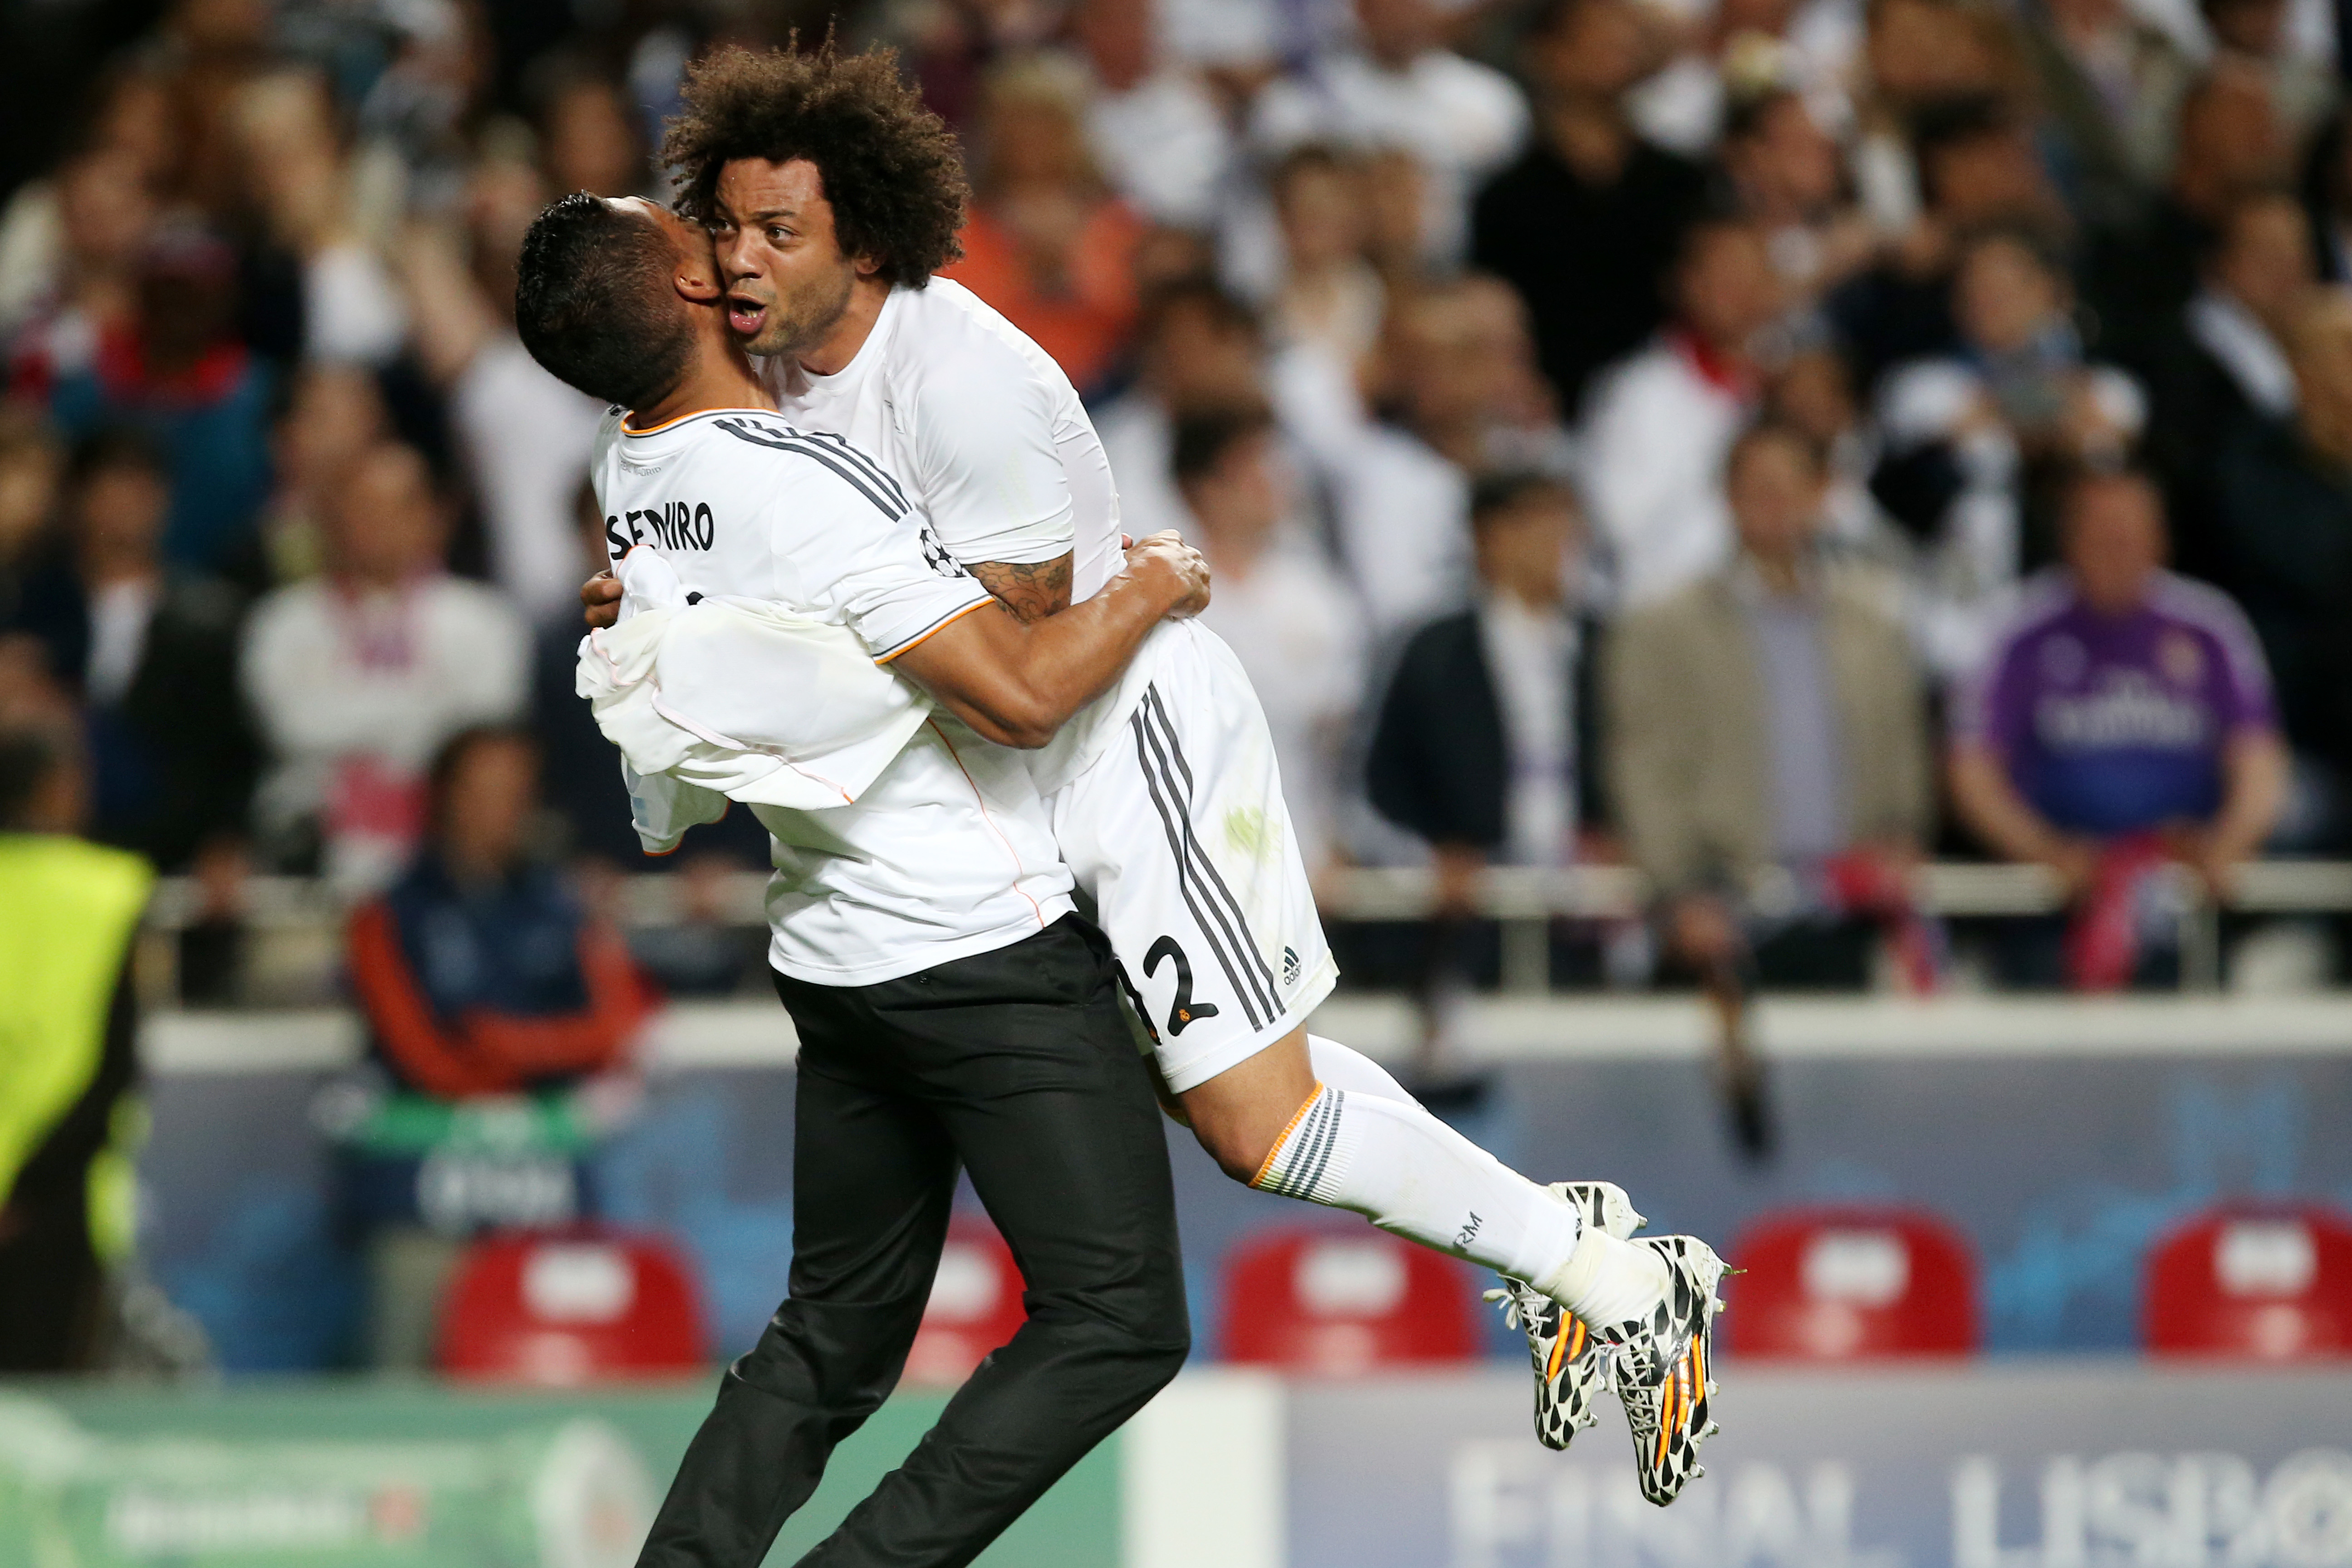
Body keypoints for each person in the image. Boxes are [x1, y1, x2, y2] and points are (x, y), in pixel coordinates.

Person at [632, 40, 1723, 1512]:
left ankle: (1610, 1272)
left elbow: (1024, 665)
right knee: (1217, 1119)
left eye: (781, 231)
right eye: (732, 226)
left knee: (1251, 1124)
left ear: (867, 238)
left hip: (1113, 741)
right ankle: (1582, 1254)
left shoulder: (966, 387)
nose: (745, 260)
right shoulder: (755, 380)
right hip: (974, 806)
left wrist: (750, 651)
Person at [516, 183, 1209, 1567]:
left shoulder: (628, 468)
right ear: (692, 288)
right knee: (1119, 1318)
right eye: (695, 230)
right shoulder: (806, 488)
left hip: (833, 959)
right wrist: (1150, 586)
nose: (733, 241)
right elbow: (1015, 698)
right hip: (972, 947)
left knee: (832, 1337)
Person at [1608, 421, 1934, 990]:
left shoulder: (1875, 623)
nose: (1775, 504)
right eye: (1757, 487)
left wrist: (1903, 838)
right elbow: (1646, 770)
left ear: (1822, 495)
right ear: (1727, 497)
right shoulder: (1666, 626)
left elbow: (1902, 754)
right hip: (1723, 908)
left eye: (1790, 486)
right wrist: (1679, 892)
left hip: (1849, 909)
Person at [1950, 469, 2287, 987]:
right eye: (2101, 532)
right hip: (2051, 906)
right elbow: (1972, 771)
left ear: (2161, 539)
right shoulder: (2017, 630)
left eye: (2131, 532)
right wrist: (2043, 850)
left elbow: (2260, 761)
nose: (2117, 547)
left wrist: (2228, 844)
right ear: (2068, 538)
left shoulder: (2209, 625)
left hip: (2181, 898)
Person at [240, 441, 529, 888]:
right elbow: (294, 729)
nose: (378, 524)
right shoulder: (281, 624)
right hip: (312, 866)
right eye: (362, 507)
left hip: (451, 870)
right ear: (330, 518)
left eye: (397, 507)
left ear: (434, 517)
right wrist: (425, 708)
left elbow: (476, 745)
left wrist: (347, 712)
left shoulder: (486, 622)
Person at [6, 426, 256, 872]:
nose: (130, 505)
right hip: (39, 851)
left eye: (145, 487)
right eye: (113, 486)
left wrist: (225, 840)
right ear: (76, 499)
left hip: (166, 850)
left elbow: (229, 750)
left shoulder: (209, 617)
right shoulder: (30, 607)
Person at [0, 711, 151, 1372]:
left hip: (47, 1195)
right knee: (47, 1421)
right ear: (58, 789)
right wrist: (30, 1192)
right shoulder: (109, 892)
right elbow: (116, 1066)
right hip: (60, 1204)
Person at [1470, 0, 1707, 417]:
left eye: (1625, 34)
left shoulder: (1681, 183)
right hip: (1548, 408)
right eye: (1594, 32)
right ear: (1546, 51)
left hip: (1675, 406)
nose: (1614, 44)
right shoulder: (1508, 197)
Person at [1171, 404, 1365, 874]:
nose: (1269, 481)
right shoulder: (1160, 592)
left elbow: (1338, 745)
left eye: (1270, 464)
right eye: (1249, 468)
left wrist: (1338, 834)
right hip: (1185, 840)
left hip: (1301, 845)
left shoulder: (1319, 596)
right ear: (1203, 489)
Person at [1579, 215, 1785, 610]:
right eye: (1726, 274)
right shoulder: (1638, 395)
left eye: (1754, 271)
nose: (1742, 290)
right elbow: (1621, 527)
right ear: (1686, 285)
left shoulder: (1794, 382)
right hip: (1675, 610)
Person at [2210, 289, 2352, 846]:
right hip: (2296, 732)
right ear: (2299, 367)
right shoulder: (2253, 462)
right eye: (2340, 351)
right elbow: (2316, 566)